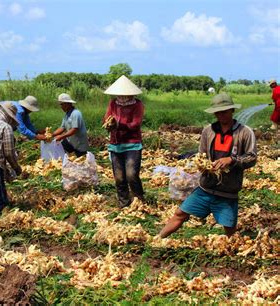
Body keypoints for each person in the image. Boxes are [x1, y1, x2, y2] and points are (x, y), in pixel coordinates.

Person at [159, 93, 257, 238]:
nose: (221, 115)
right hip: (206, 188)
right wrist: (200, 165)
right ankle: (157, 239)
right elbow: (201, 155)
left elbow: (252, 158)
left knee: (229, 228)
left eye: (224, 112)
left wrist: (232, 160)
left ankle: (232, 250)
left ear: (232, 111)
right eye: (218, 112)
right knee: (180, 213)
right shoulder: (208, 131)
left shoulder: (245, 132)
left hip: (227, 191)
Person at [103, 75, 145, 207]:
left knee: (131, 175)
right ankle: (124, 202)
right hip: (116, 145)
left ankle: (139, 199)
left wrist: (119, 125)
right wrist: (108, 124)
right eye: (119, 95)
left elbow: (135, 124)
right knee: (119, 177)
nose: (121, 97)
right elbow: (107, 119)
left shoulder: (137, 105)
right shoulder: (113, 104)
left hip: (132, 144)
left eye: (124, 95)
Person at [51, 93, 89, 157]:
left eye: (62, 104)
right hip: (71, 142)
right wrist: (52, 135)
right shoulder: (67, 115)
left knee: (80, 162)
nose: (61, 107)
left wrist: (61, 136)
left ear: (68, 104)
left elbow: (74, 129)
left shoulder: (76, 114)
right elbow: (62, 128)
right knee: (60, 150)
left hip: (79, 144)